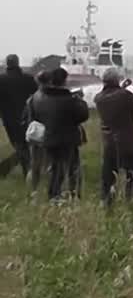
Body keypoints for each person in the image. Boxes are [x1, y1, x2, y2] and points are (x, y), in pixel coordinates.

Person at [29, 68, 89, 200]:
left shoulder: (39, 97)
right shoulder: (70, 99)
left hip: (49, 137)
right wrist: (80, 100)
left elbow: (34, 115)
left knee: (54, 169)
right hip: (69, 139)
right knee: (73, 169)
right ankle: (74, 195)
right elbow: (83, 115)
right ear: (64, 81)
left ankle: (53, 195)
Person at [93, 69, 133, 205]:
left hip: (109, 141)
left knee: (109, 173)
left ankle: (106, 200)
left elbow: (115, 99)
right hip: (128, 141)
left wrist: (123, 88)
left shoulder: (99, 98)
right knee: (132, 172)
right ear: (117, 80)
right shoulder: (123, 95)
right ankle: (131, 199)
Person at [0, 54, 38, 177]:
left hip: (9, 117)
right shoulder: (28, 79)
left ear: (7, 64)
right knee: (26, 144)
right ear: (18, 63)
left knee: (18, 144)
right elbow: (36, 96)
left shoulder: (1, 80)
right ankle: (27, 169)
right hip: (28, 116)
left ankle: (26, 169)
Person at [21, 71, 50, 192]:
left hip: (35, 135)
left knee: (34, 165)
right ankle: (51, 190)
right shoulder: (52, 98)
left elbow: (25, 119)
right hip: (49, 134)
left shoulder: (31, 99)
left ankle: (33, 191)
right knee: (50, 164)